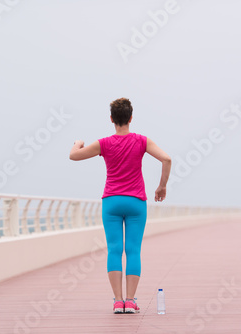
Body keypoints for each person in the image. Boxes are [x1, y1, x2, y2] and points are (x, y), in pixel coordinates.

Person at [69, 97, 172, 314]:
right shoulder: (141, 141)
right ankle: (131, 301)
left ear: (111, 119)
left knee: (114, 250)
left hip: (112, 202)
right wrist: (161, 187)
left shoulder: (104, 143)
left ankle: (118, 302)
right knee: (133, 250)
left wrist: (78, 143)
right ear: (131, 118)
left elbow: (74, 156)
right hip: (136, 202)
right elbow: (167, 159)